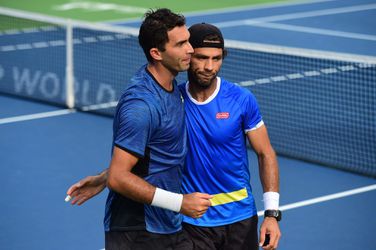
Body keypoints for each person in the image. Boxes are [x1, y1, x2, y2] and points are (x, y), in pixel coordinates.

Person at [67, 23, 282, 250]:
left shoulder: (242, 99)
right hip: (191, 221)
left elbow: (265, 153)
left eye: (216, 58)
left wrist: (271, 213)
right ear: (189, 56)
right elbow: (153, 155)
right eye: (201, 58)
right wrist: (105, 178)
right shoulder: (172, 101)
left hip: (240, 219)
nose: (209, 67)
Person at [89, 8, 213, 250]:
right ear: (156, 53)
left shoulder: (171, 86)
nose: (190, 49)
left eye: (188, 40)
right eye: (181, 44)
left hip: (166, 225)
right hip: (137, 230)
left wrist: (104, 176)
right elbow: (119, 177)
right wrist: (180, 203)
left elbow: (145, 155)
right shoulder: (142, 105)